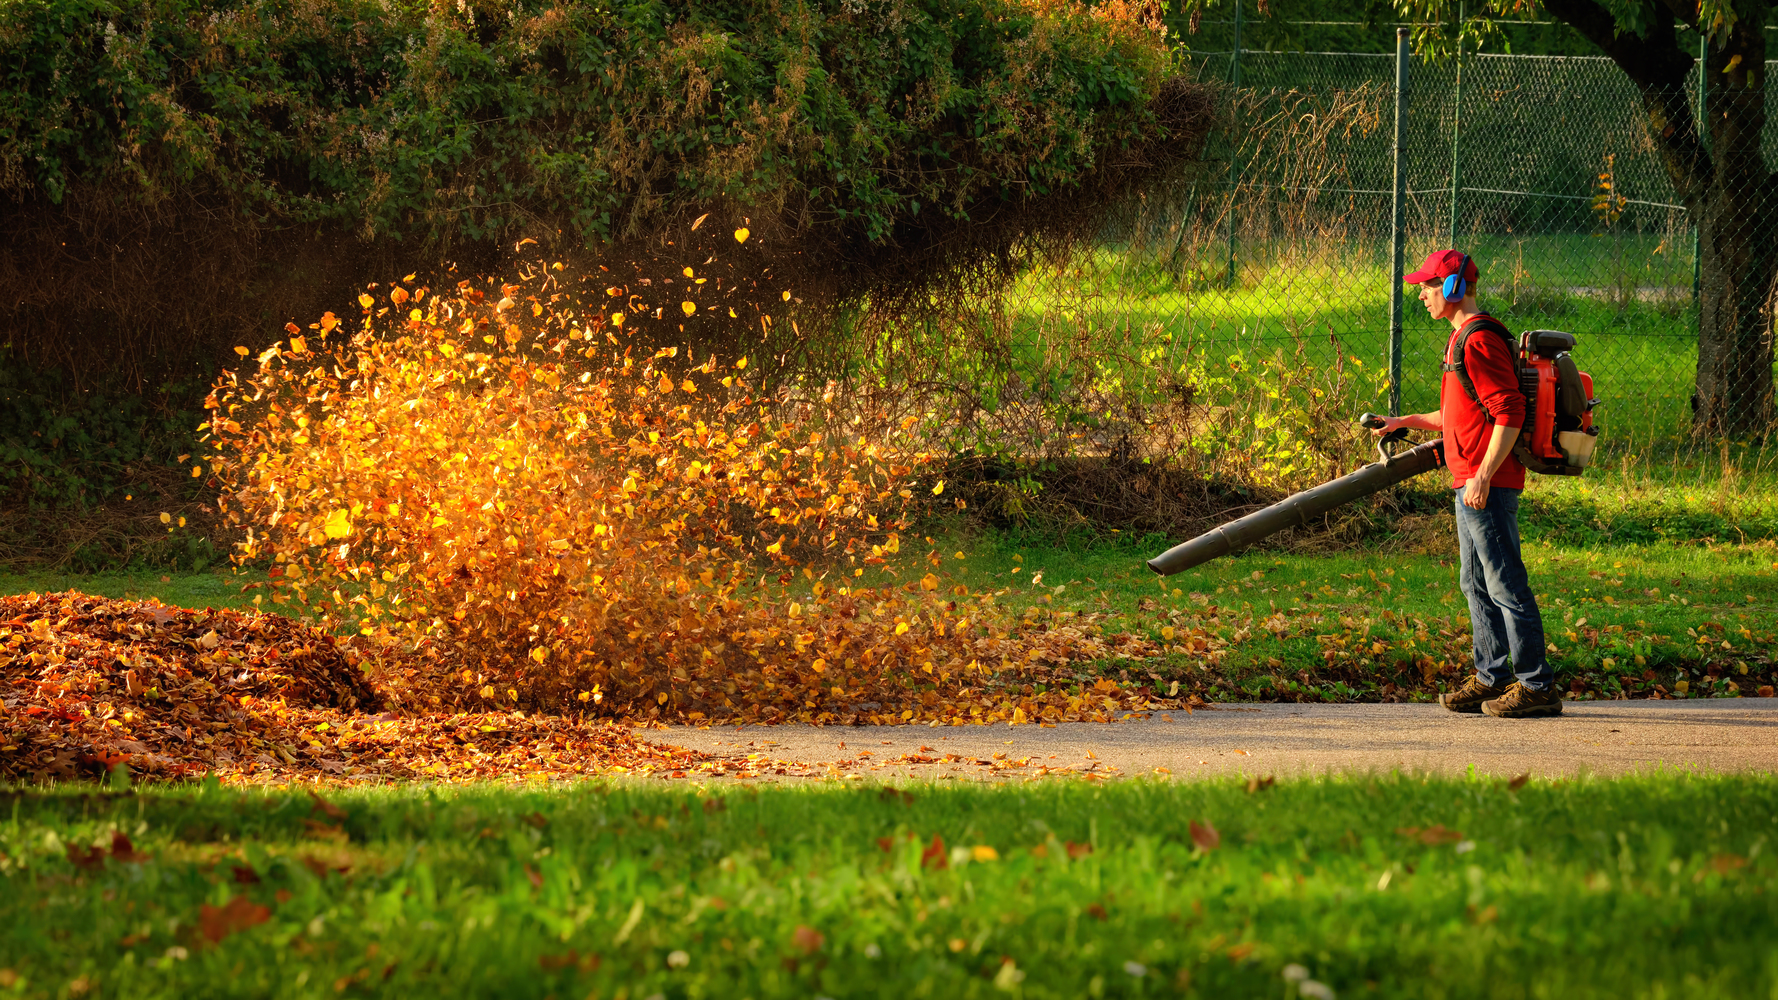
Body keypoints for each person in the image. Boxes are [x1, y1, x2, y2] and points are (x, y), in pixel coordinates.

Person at [1371, 249, 1560, 718]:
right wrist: (1405, 420)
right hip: (1471, 480)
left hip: (1485, 484)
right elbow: (1461, 412)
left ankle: (1537, 685)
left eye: (1428, 287)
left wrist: (1483, 474)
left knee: (1505, 584)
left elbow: (1509, 410)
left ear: (1452, 288)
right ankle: (1491, 677)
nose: (1421, 295)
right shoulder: (1461, 341)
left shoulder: (1477, 341)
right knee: (1475, 583)